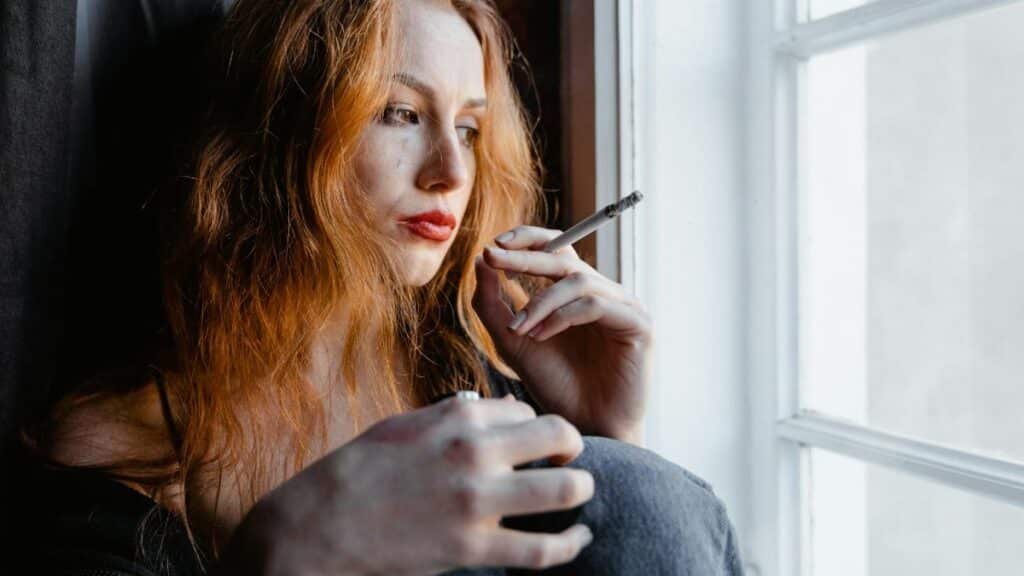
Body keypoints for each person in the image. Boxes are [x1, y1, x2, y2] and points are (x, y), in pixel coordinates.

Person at [13, 0, 745, 574]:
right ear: (281, 129)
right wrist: (281, 555)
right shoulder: (133, 446)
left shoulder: (468, 386)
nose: (452, 175)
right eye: (401, 114)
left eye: (467, 129)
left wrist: (602, 434)